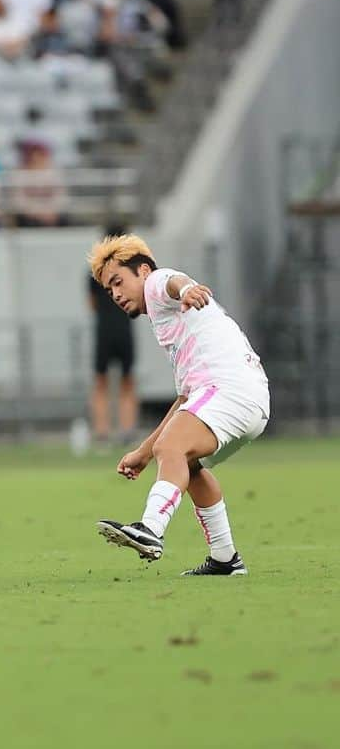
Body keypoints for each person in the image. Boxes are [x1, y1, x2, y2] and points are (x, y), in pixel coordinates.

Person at [89, 234, 269, 575]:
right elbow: (186, 400)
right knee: (189, 463)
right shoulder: (175, 329)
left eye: (118, 282)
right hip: (243, 397)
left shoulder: (157, 285)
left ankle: (151, 530)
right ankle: (225, 558)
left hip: (231, 389)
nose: (114, 294)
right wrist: (144, 451)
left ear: (141, 271)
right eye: (108, 290)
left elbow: (172, 282)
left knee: (172, 446)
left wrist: (186, 289)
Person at [87, 236, 137, 445]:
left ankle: (102, 432)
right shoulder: (129, 270)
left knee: (101, 383)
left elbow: (91, 304)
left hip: (103, 331)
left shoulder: (94, 273)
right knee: (127, 382)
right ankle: (126, 430)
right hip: (124, 329)